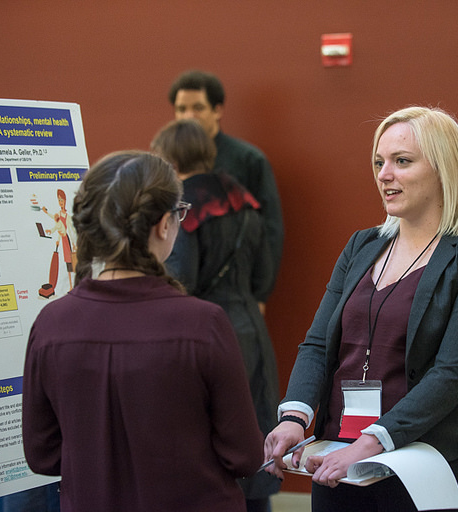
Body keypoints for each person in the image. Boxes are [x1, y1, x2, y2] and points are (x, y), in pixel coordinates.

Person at [263, 106, 458, 512]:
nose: (384, 174)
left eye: (402, 161)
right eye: (379, 162)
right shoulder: (361, 246)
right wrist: (294, 416)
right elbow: (317, 344)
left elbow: (453, 373)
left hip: (433, 463)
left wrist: (372, 441)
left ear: (443, 169)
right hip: (342, 460)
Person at [22, 150, 264, 512]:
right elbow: (243, 455)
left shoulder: (51, 324)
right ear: (164, 224)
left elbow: (42, 455)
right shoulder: (203, 323)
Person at [151, 119, 282, 512]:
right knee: (253, 434)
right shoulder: (243, 197)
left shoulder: (181, 207)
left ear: (170, 158)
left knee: (213, 439)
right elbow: (263, 269)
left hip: (209, 334)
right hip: (253, 331)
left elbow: (181, 279)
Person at [168, 69, 284, 301]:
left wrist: (260, 294)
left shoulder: (249, 160)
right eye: (181, 109)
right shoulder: (168, 161)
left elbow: (270, 229)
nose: (189, 116)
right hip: (184, 287)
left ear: (217, 110)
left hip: (235, 293)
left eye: (198, 108)